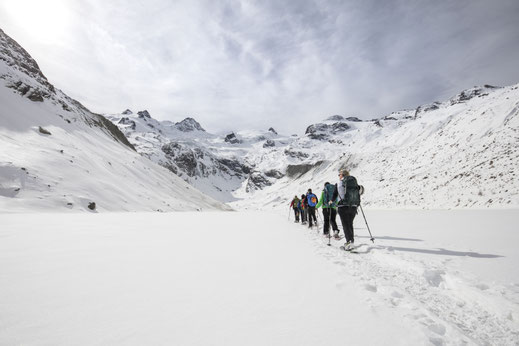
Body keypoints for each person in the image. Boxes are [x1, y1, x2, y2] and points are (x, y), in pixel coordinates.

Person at [333, 169, 360, 249]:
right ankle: (351, 241)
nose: (339, 176)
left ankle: (348, 243)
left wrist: (332, 201)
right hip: (353, 206)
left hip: (343, 206)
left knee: (345, 225)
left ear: (343, 175)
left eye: (339, 174)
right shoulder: (354, 182)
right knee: (350, 224)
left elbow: (335, 194)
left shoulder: (339, 183)